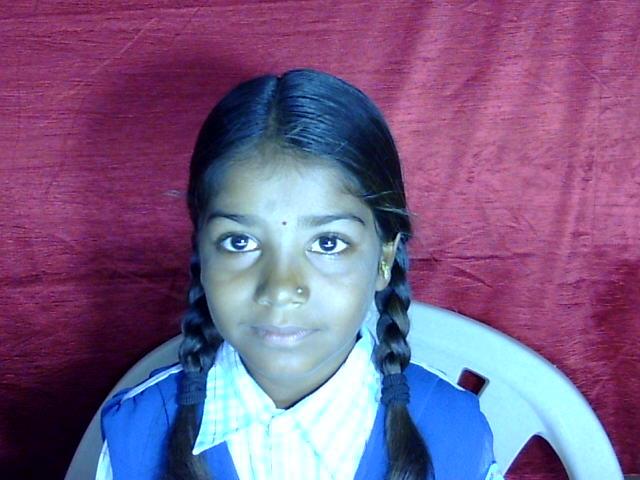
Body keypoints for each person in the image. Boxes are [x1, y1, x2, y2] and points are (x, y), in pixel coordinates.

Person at [97, 69, 505, 480]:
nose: (280, 288)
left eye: (328, 243)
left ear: (385, 258)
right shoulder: (138, 433)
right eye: (240, 242)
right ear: (202, 252)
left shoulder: (455, 432)